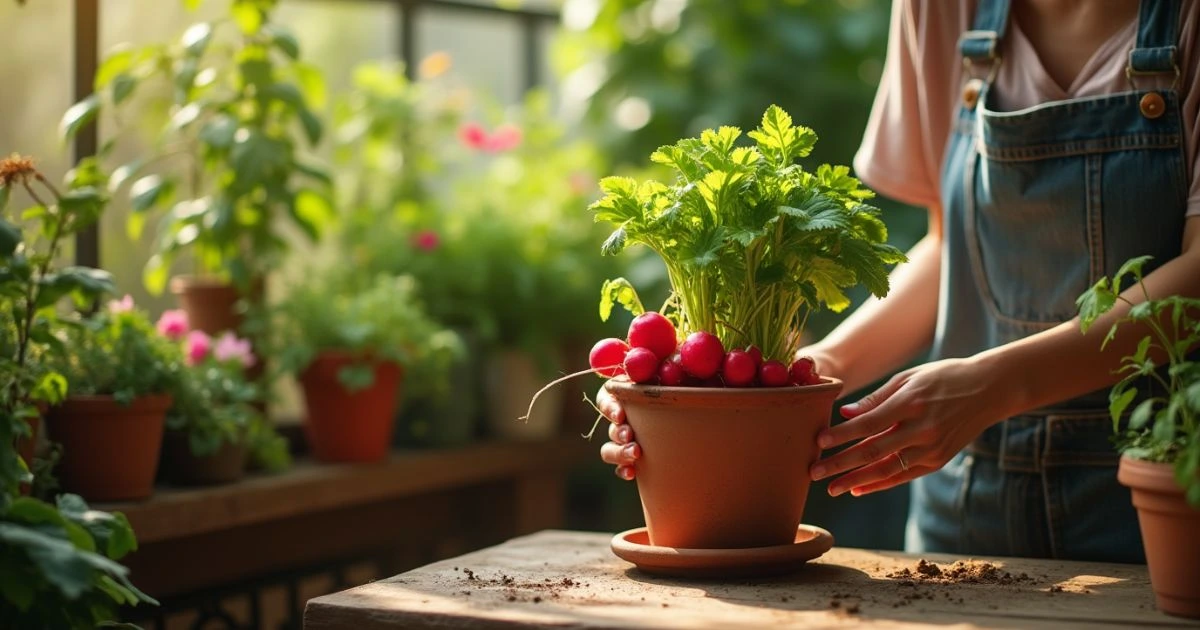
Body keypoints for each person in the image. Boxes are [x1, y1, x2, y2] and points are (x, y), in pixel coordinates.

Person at [597, 0, 1200, 564]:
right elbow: (949, 249)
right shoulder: (941, 7)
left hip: (1159, 486)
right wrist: (796, 376)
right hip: (964, 490)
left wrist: (996, 386)